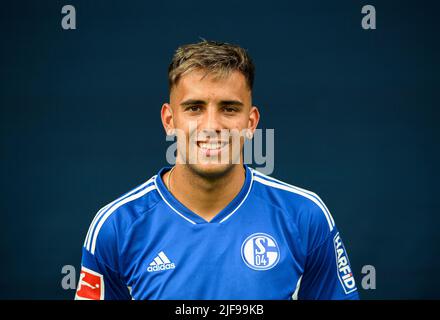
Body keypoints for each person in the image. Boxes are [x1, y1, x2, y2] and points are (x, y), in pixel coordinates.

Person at [75, 40, 359, 300]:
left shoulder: (304, 216)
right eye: (195, 108)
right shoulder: (116, 226)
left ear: (251, 122)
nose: (211, 126)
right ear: (169, 120)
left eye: (229, 109)